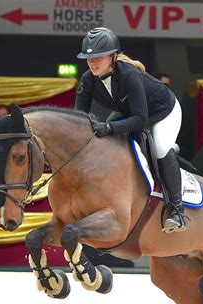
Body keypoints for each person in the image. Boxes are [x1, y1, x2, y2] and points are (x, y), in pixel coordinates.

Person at [74, 27, 185, 233]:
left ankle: (176, 210)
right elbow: (77, 118)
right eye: (89, 58)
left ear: (113, 56)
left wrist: (109, 127)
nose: (92, 62)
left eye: (99, 56)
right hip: (130, 112)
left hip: (163, 110)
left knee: (160, 147)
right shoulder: (88, 79)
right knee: (106, 141)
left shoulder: (129, 75)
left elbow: (140, 120)